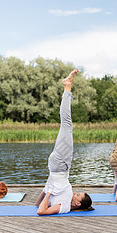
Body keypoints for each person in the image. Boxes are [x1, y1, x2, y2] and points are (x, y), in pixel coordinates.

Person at [35, 69, 93, 215]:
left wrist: (49, 192)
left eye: (79, 195)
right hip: (59, 167)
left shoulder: (66, 206)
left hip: (60, 165)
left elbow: (41, 211)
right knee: (66, 125)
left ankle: (67, 87)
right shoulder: (63, 197)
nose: (76, 192)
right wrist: (48, 189)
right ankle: (67, 88)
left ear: (77, 203)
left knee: (67, 124)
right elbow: (37, 204)